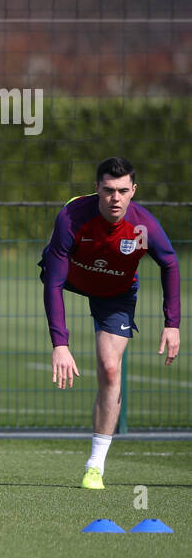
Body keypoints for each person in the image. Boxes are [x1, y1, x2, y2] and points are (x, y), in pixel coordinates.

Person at [40, 157, 180, 489]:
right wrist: (60, 344)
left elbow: (170, 263)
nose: (114, 198)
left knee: (110, 368)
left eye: (121, 191)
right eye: (107, 191)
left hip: (115, 292)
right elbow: (54, 284)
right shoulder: (72, 218)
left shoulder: (144, 225)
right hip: (72, 276)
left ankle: (95, 466)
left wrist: (172, 322)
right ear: (97, 189)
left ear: (133, 190)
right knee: (51, 267)